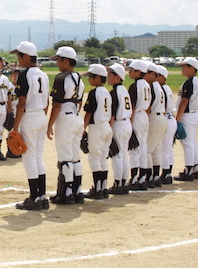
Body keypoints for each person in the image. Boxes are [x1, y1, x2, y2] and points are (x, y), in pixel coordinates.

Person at [11, 41, 50, 210]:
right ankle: (42, 196)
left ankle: (34, 198)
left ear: (26, 57)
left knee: (28, 157)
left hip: (29, 116)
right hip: (41, 114)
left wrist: (15, 127)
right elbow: (47, 101)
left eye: (19, 56)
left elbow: (21, 103)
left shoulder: (25, 74)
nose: (18, 59)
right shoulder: (44, 74)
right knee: (38, 156)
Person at [46, 46, 85, 204]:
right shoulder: (78, 78)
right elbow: (80, 101)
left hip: (65, 117)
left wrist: (49, 125)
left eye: (59, 60)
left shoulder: (61, 78)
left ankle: (66, 193)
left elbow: (56, 105)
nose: (57, 63)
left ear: (66, 61)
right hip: (76, 117)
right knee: (75, 157)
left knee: (65, 158)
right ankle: (77, 191)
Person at [81, 64, 112, 199]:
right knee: (103, 158)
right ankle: (103, 188)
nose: (89, 80)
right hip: (106, 127)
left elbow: (89, 113)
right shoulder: (107, 93)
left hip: (97, 128)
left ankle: (97, 189)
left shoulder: (94, 93)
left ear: (98, 78)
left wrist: (83, 128)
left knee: (94, 158)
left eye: (91, 77)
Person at [174, 57, 198, 181]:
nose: (182, 69)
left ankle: (189, 170)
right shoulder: (196, 81)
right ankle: (195, 168)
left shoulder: (190, 82)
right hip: (194, 113)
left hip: (188, 114)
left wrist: (177, 119)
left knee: (187, 144)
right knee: (192, 142)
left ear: (192, 68)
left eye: (185, 66)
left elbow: (184, 101)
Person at [107, 64, 133, 195]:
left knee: (116, 155)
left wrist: (109, 130)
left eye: (110, 74)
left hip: (118, 124)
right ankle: (123, 182)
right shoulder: (124, 90)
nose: (108, 77)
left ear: (117, 77)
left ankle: (117, 184)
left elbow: (112, 114)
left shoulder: (114, 92)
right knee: (123, 154)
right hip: (127, 123)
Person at [126, 60, 151, 190]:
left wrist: (130, 123)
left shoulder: (134, 86)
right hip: (145, 115)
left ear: (139, 72)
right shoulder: (147, 84)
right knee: (143, 147)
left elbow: (133, 106)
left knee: (134, 149)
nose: (129, 73)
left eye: (132, 70)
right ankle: (142, 178)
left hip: (137, 116)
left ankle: (134, 179)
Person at [145, 62, 167, 187]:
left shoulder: (152, 86)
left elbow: (149, 105)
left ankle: (148, 178)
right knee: (156, 148)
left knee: (148, 150)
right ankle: (156, 176)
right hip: (161, 117)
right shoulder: (159, 86)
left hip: (154, 117)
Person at [157, 66, 177, 184]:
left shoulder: (161, 89)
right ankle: (168, 173)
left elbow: (163, 108)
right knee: (168, 149)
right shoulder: (167, 88)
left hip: (166, 119)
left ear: (162, 77)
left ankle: (165, 174)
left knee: (164, 149)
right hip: (171, 119)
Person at [6, 68, 22, 159]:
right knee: (11, 130)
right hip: (11, 110)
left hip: (19, 110)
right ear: (11, 76)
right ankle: (10, 150)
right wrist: (9, 111)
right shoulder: (8, 86)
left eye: (18, 75)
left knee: (18, 131)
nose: (16, 76)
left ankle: (16, 149)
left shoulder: (22, 86)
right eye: (14, 75)